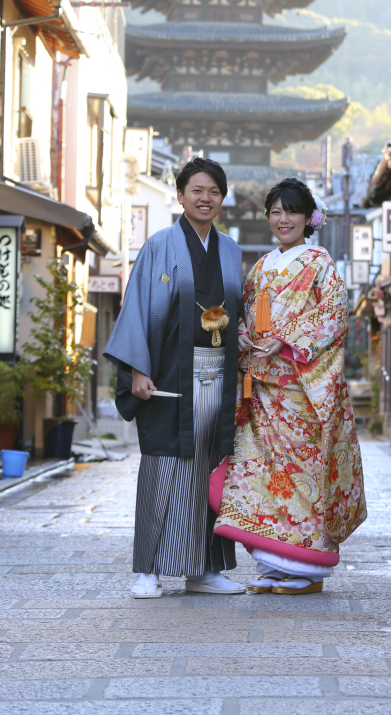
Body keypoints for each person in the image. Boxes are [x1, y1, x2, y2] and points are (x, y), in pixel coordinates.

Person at [213, 177, 366, 593]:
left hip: (300, 391)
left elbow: (333, 316)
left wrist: (286, 338)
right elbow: (244, 312)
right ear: (268, 218)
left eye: (292, 211)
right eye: (276, 212)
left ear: (308, 218)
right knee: (262, 476)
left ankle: (306, 569)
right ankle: (273, 565)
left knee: (302, 477)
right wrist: (242, 335)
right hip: (261, 388)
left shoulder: (319, 262)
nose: (283, 220)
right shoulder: (262, 266)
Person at [103, 157, 245, 598]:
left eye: (214, 192)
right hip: (168, 376)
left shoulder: (232, 252)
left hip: (217, 379)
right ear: (180, 195)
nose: (206, 199)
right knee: (163, 467)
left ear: (223, 198)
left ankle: (203, 570)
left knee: (208, 468)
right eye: (197, 190)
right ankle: (148, 569)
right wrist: (138, 369)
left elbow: (240, 320)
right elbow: (138, 309)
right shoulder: (160, 245)